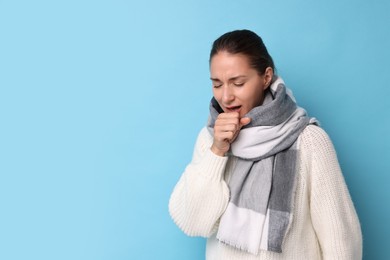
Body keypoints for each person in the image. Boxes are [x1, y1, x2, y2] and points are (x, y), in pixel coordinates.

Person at [169, 29, 362, 260]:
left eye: (238, 83)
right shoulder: (210, 138)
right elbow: (193, 223)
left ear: (266, 77)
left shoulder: (308, 141)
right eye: (217, 84)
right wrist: (217, 151)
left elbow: (340, 241)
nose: (226, 96)